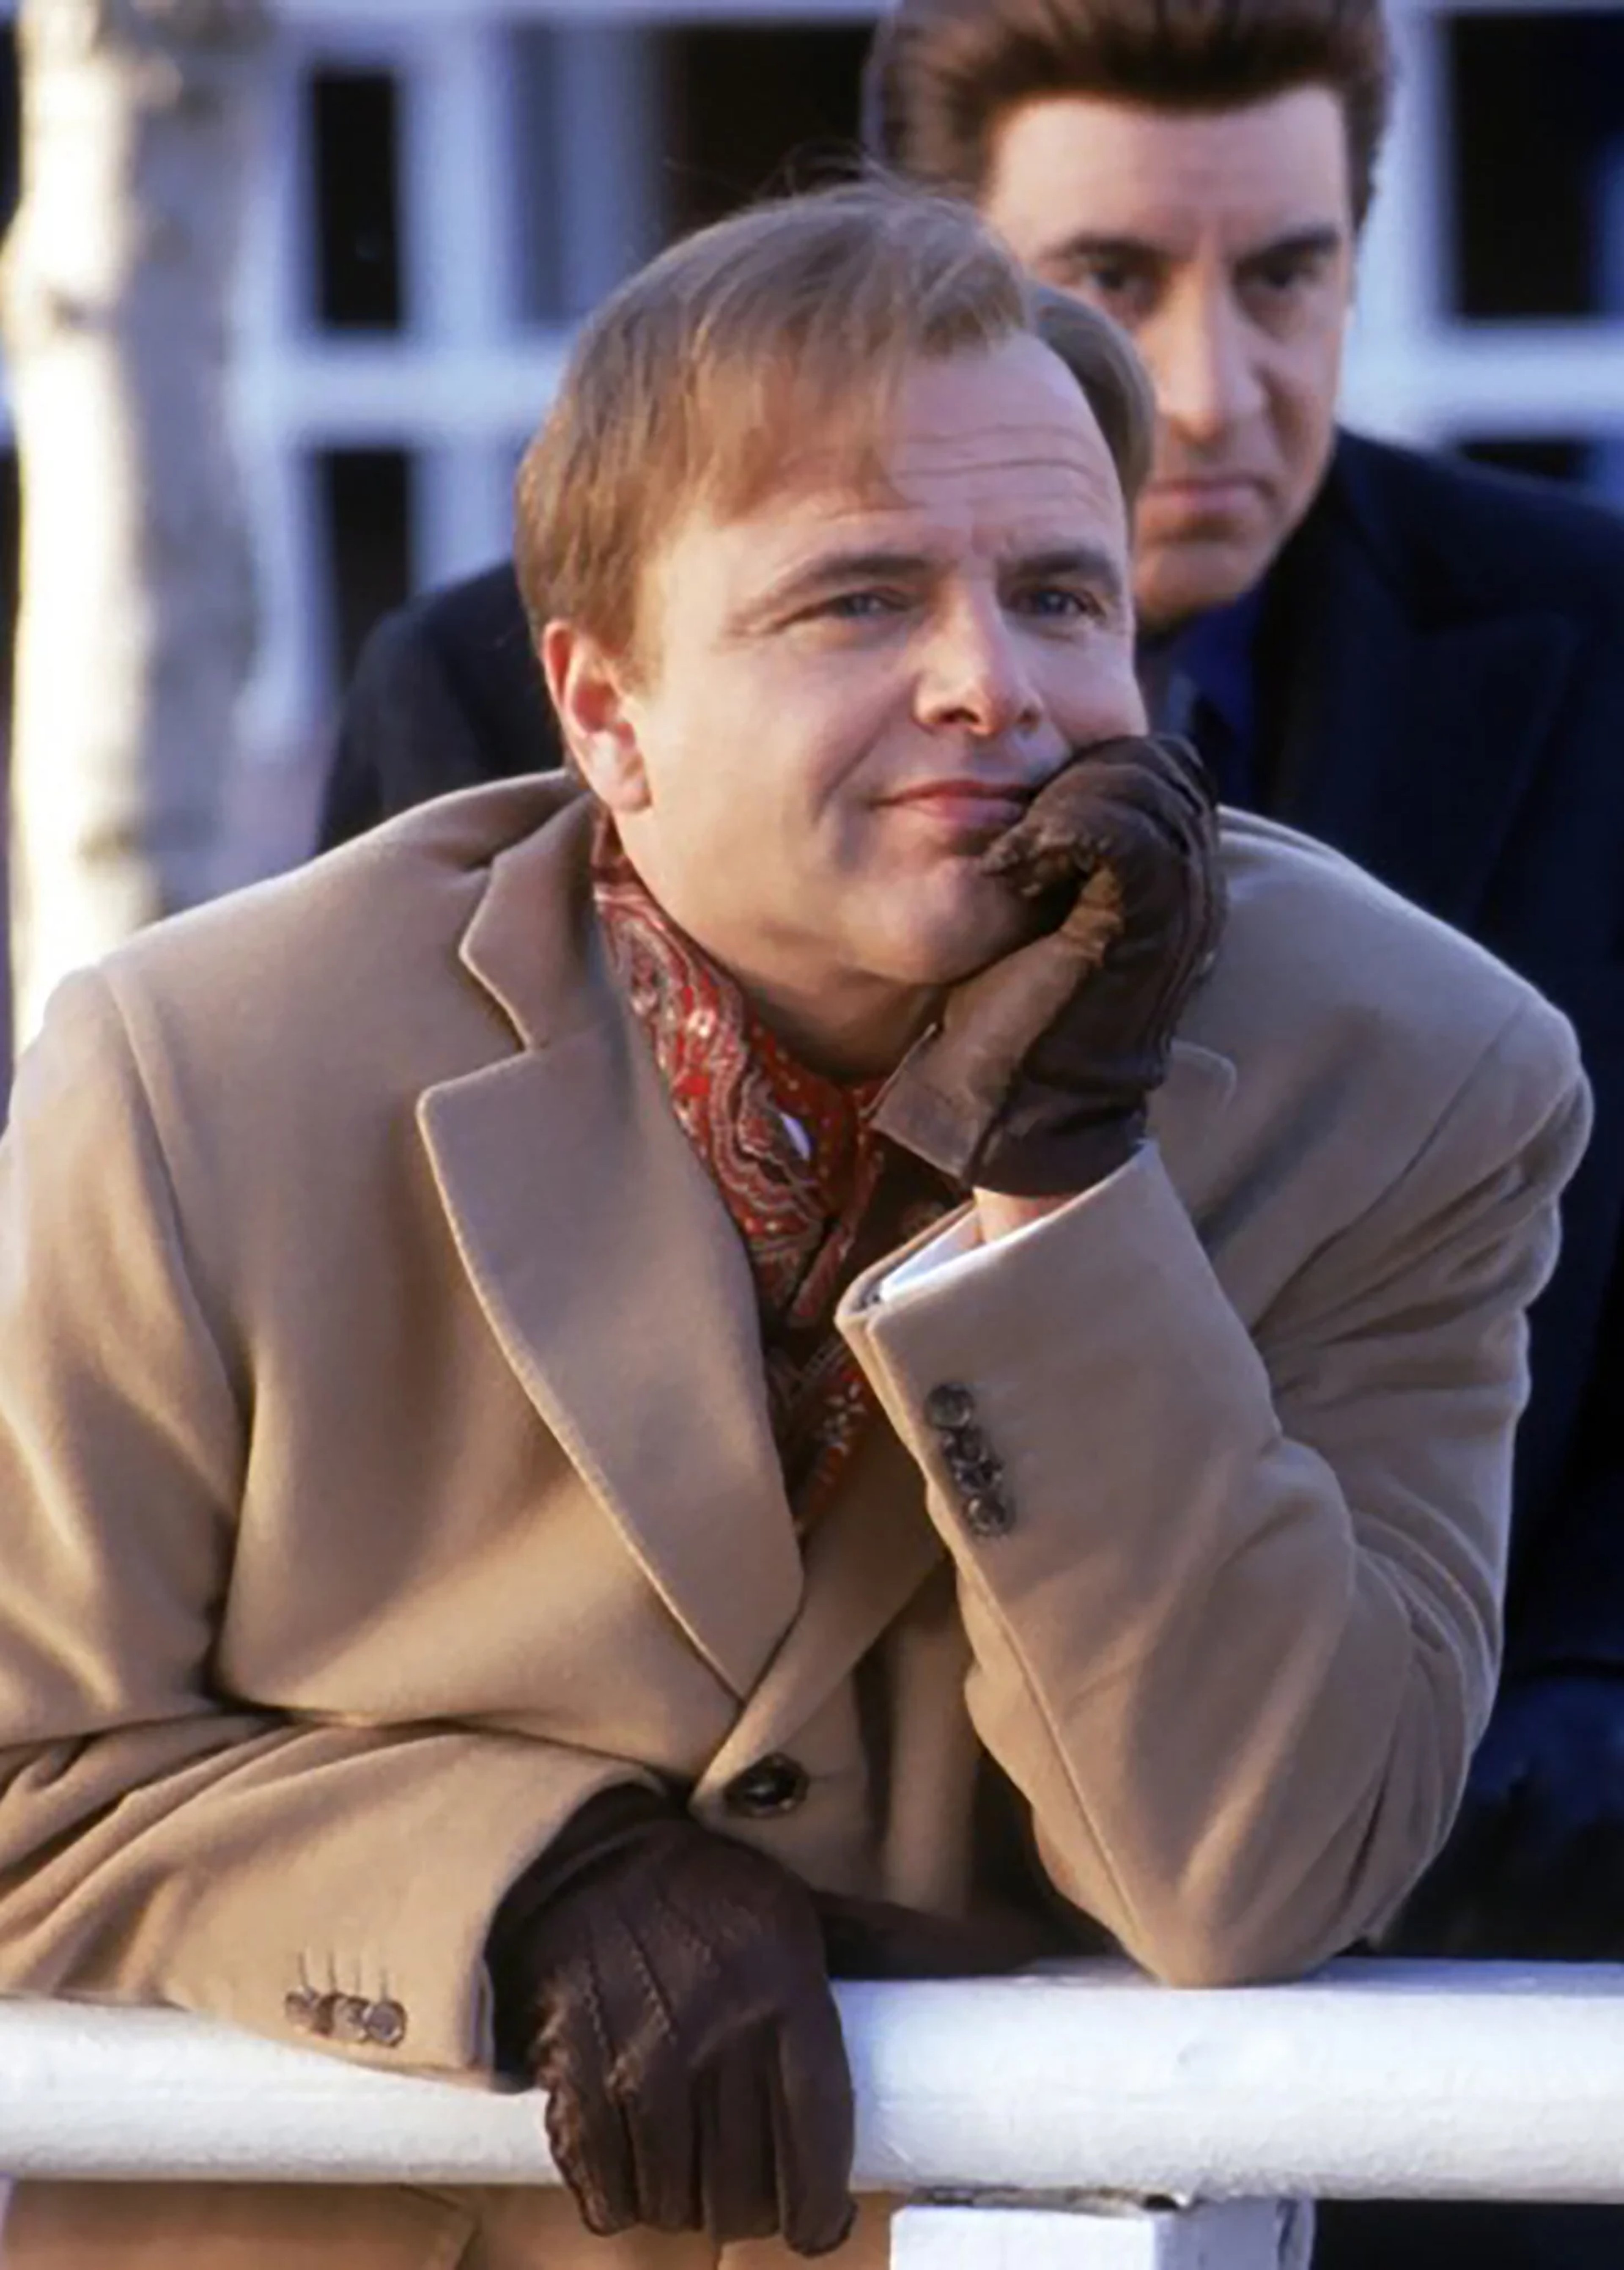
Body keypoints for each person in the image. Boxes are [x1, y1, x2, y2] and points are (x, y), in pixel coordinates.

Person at [0, 183, 1588, 2268]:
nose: (987, 688)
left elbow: (1260, 1872)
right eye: (857, 602)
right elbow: (31, 1781)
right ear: (602, 712)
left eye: (1058, 595)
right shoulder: (198, 1069)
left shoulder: (1423, 1076)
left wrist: (1062, 1192)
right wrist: (536, 1878)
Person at [317, 0, 1624, 1983]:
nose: (1207, 386)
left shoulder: (1594, 657)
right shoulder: (495, 696)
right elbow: (460, 1453)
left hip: (1472, 1966)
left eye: (1289, 277)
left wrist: (1377, 1843)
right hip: (735, 1995)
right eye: (1106, 280)